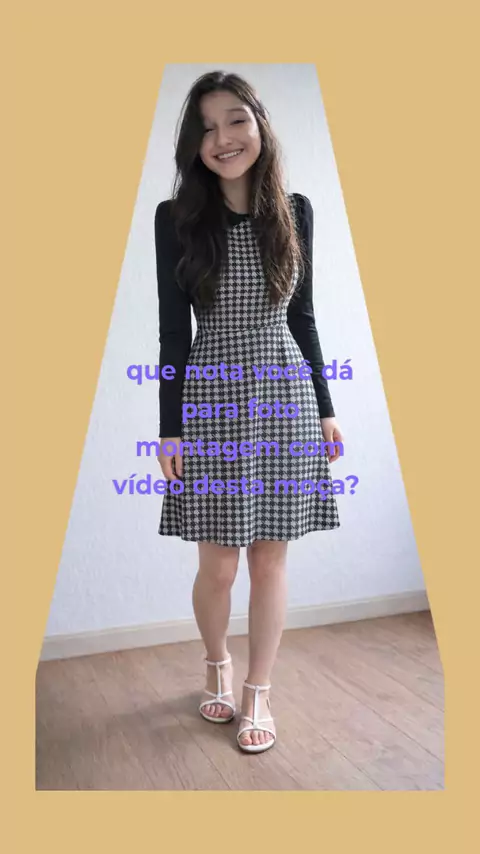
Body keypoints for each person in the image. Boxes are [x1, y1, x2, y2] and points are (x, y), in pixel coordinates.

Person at [154, 70, 343, 754]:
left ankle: (258, 691)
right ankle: (217, 664)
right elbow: (173, 333)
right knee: (219, 566)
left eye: (236, 119)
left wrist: (326, 409)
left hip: (286, 396)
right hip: (210, 398)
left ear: (259, 124)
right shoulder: (175, 218)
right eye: (207, 127)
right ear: (195, 144)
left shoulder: (296, 210)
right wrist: (169, 427)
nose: (224, 137)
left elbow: (303, 316)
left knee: (270, 562)